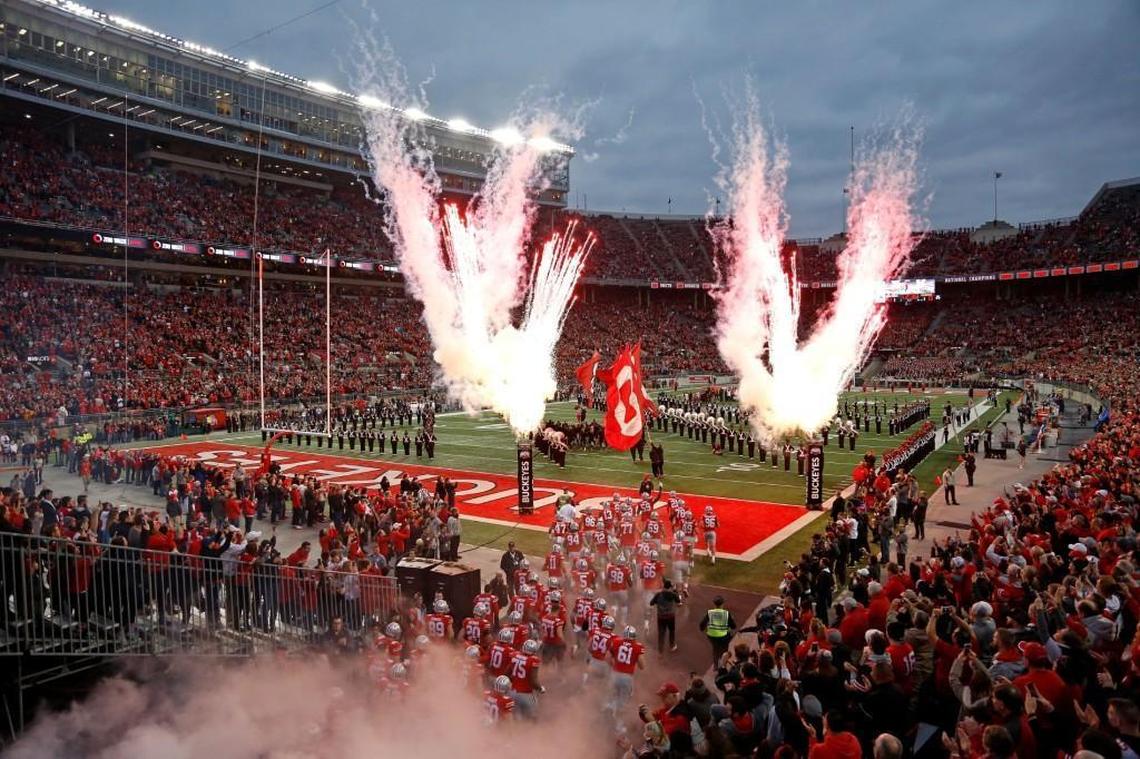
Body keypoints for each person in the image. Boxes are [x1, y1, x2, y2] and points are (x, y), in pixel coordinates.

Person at [699, 595, 736, 667]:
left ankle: (716, 665)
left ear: (714, 604)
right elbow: (733, 626)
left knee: (715, 649)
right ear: (722, 604)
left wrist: (703, 629)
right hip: (724, 636)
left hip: (712, 636)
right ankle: (723, 665)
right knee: (724, 650)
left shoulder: (709, 612)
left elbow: (702, 624)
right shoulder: (726, 613)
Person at [649, 579, 682, 654]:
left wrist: (658, 602)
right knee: (671, 631)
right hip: (670, 616)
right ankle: (672, 646)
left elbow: (651, 603)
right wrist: (675, 591)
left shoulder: (658, 594)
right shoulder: (673, 594)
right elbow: (679, 603)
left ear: (664, 586)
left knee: (661, 633)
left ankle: (660, 650)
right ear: (670, 587)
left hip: (661, 617)